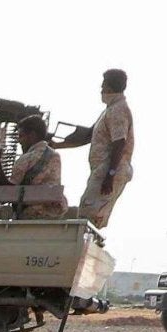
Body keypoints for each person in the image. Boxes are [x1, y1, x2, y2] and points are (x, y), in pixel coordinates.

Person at [57, 69, 134, 228]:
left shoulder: (118, 110)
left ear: (110, 87)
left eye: (103, 85)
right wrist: (56, 144)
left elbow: (119, 143)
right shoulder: (109, 110)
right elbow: (88, 136)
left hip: (109, 169)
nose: (101, 89)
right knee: (92, 214)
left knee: (89, 213)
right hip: (103, 169)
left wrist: (110, 175)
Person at [3, 114, 66, 220]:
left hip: (28, 215)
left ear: (32, 135)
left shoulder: (25, 159)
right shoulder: (55, 156)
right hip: (53, 215)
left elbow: (10, 192)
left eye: (21, 136)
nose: (19, 141)